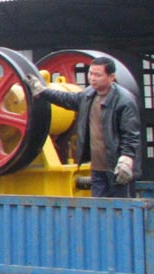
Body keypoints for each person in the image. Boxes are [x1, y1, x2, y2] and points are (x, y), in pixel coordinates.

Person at [27, 56, 142, 198]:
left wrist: (126, 159)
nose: (92, 78)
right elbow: (67, 99)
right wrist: (42, 91)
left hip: (118, 169)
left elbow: (130, 134)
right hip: (97, 169)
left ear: (111, 77)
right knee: (98, 207)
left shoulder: (125, 101)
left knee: (120, 208)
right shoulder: (88, 95)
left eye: (98, 75)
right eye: (90, 73)